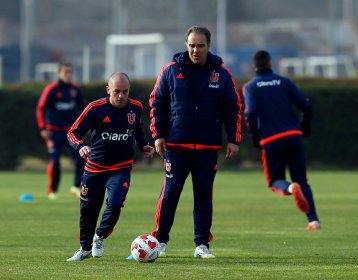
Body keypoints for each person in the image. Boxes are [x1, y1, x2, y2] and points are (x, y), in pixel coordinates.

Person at [149, 25, 242, 258]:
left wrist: (234, 139)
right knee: (169, 194)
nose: (195, 50)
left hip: (207, 148)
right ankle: (159, 242)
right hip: (176, 147)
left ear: (208, 46)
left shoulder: (222, 74)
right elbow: (157, 103)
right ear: (186, 45)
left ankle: (201, 245)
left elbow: (233, 107)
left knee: (203, 197)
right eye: (191, 45)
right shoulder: (170, 70)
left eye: (200, 45)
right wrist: (158, 135)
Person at [66, 72, 155, 261]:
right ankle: (84, 249)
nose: (121, 96)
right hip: (94, 168)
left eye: (125, 91)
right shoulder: (95, 108)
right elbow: (73, 132)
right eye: (116, 92)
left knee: (115, 203)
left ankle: (99, 236)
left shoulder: (136, 107)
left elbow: (137, 128)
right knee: (88, 210)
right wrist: (81, 146)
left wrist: (143, 145)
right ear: (108, 90)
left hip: (120, 168)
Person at [242, 50, 320, 230]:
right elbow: (306, 105)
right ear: (270, 63)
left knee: (275, 180)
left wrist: (254, 136)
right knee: (302, 179)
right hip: (293, 136)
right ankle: (313, 220)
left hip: (270, 139)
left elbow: (251, 113)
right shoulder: (285, 82)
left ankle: (291, 189)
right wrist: (304, 125)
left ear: (254, 66)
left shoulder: (251, 86)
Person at [36, 62, 86, 199]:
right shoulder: (51, 89)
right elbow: (40, 108)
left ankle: (76, 187)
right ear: (59, 74)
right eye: (65, 72)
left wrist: (87, 125)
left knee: (80, 158)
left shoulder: (75, 90)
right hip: (53, 132)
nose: (68, 75)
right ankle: (52, 190)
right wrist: (42, 127)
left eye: (70, 72)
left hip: (71, 132)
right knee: (55, 161)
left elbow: (85, 109)